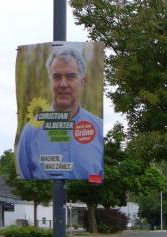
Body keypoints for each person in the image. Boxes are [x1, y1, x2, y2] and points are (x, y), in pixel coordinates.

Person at [16, 46, 103, 181]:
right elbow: (25, 180)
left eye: (70, 76)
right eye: (56, 77)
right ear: (49, 82)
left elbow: (101, 178)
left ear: (82, 82)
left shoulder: (99, 129)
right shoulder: (31, 131)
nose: (63, 84)